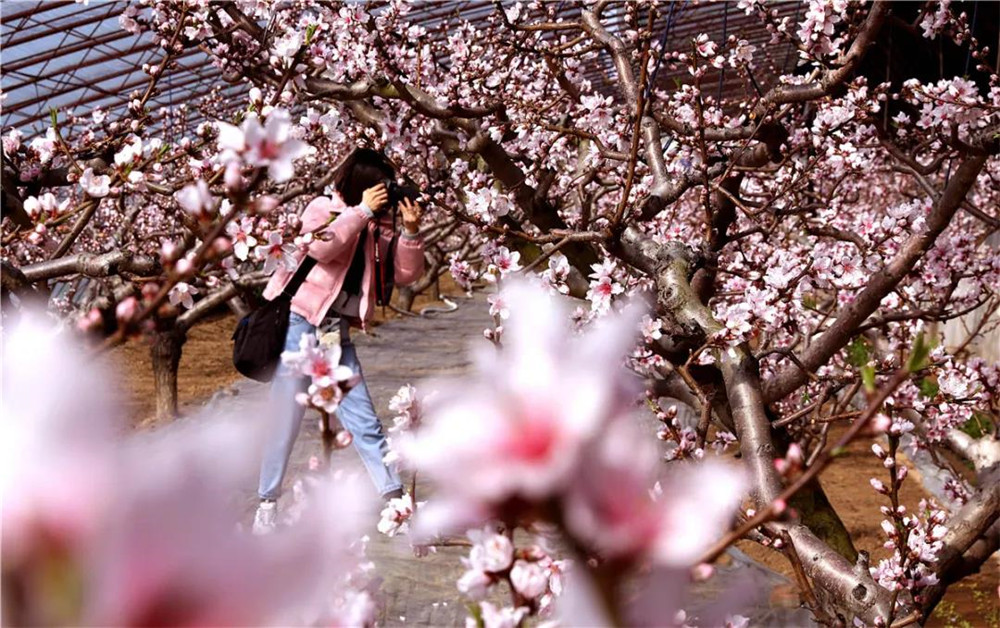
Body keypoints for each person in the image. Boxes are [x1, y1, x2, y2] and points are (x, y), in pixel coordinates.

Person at [253, 148, 424, 533]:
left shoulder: (375, 230)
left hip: (334, 331)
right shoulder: (321, 209)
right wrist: (360, 211)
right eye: (381, 186)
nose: (386, 194)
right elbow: (320, 247)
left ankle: (397, 501)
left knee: (363, 418)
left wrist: (410, 232)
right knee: (286, 417)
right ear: (363, 185)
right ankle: (267, 504)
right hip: (300, 324)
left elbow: (404, 274)